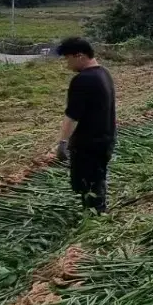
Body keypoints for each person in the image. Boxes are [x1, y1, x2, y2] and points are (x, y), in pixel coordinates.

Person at [55, 37, 116, 213]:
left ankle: (95, 219)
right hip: (105, 139)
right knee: (97, 180)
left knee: (86, 185)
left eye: (68, 59)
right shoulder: (104, 73)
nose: (67, 64)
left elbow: (72, 115)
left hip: (88, 144)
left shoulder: (82, 80)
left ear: (80, 56)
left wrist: (62, 143)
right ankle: (98, 214)